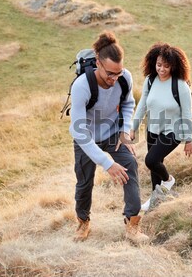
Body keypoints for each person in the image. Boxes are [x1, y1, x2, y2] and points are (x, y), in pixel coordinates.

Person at [69, 31, 149, 244]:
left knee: (130, 164)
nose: (114, 79)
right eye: (110, 74)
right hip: (86, 137)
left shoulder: (125, 78)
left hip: (113, 133)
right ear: (98, 64)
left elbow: (128, 104)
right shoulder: (81, 87)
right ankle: (83, 221)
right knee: (85, 182)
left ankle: (132, 224)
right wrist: (106, 162)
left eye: (118, 73)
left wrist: (124, 132)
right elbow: (78, 131)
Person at [131, 42, 192, 212]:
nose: (162, 69)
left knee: (151, 160)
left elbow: (187, 114)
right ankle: (155, 202)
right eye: (159, 65)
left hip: (173, 131)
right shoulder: (150, 80)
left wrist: (188, 139)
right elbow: (142, 105)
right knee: (154, 167)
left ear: (173, 66)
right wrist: (133, 128)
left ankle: (169, 180)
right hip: (152, 129)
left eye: (166, 66)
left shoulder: (180, 85)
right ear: (154, 63)